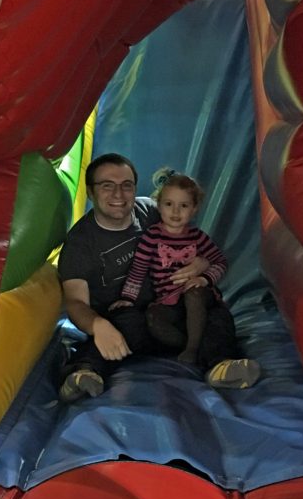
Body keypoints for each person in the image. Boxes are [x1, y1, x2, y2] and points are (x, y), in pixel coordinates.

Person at [57, 153, 259, 401]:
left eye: (126, 185)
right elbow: (76, 303)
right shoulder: (80, 243)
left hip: (178, 312)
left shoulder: (153, 212)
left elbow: (194, 241)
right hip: (132, 323)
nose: (118, 195)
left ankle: (222, 366)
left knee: (216, 312)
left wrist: (203, 264)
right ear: (90, 192)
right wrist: (97, 325)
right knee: (122, 324)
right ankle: (84, 373)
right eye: (107, 186)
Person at [111, 169, 254, 382]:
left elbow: (220, 261)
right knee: (154, 318)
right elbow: (138, 271)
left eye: (184, 206)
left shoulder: (197, 237)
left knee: (194, 293)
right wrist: (128, 298)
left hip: (199, 297)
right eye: (169, 204)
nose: (176, 212)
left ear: (194, 209)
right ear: (159, 205)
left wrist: (205, 278)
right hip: (169, 302)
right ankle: (195, 339)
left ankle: (193, 349)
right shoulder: (152, 237)